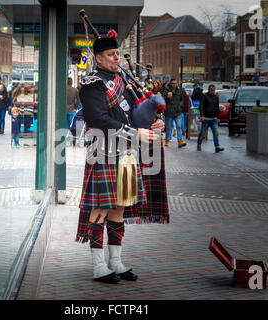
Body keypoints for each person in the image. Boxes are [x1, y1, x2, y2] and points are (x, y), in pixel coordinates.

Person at [75, 30, 166, 284]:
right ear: (98, 57)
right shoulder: (91, 83)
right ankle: (97, 265)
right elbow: (98, 119)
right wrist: (137, 133)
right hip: (102, 152)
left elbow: (136, 113)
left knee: (119, 208)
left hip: (125, 153)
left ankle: (115, 261)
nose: (116, 58)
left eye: (117, 53)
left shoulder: (123, 82)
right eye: (111, 54)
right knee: (101, 208)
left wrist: (153, 122)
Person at [197, 84, 224, 153]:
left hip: (214, 118)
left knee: (216, 133)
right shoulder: (204, 96)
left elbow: (217, 107)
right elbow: (201, 106)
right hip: (206, 118)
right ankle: (199, 144)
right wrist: (202, 115)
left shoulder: (216, 97)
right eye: (211, 90)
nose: (213, 91)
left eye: (214, 90)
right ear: (208, 90)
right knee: (202, 132)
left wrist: (218, 117)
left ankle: (217, 147)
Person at [161, 78, 186, 148]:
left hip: (178, 112)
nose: (174, 85)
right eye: (173, 83)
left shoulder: (179, 90)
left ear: (177, 83)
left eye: (175, 83)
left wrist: (180, 106)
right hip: (169, 112)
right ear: (170, 84)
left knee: (179, 126)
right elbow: (162, 96)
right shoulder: (166, 90)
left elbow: (182, 100)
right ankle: (167, 140)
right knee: (169, 127)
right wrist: (166, 96)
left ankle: (180, 141)